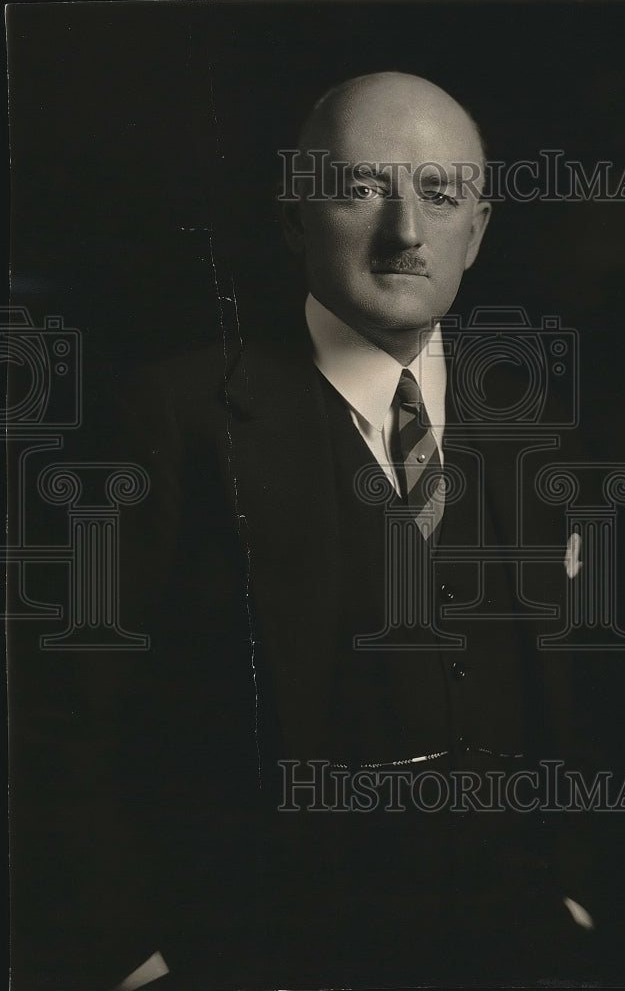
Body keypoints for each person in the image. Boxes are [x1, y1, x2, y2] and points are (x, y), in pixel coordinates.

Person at [99, 71, 599, 990]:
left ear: (477, 231)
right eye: (363, 188)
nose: (406, 232)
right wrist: (130, 953)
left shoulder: (537, 423)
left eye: (440, 195)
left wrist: (567, 891)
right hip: (258, 958)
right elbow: (69, 710)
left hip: (515, 945)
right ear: (296, 218)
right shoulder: (175, 417)